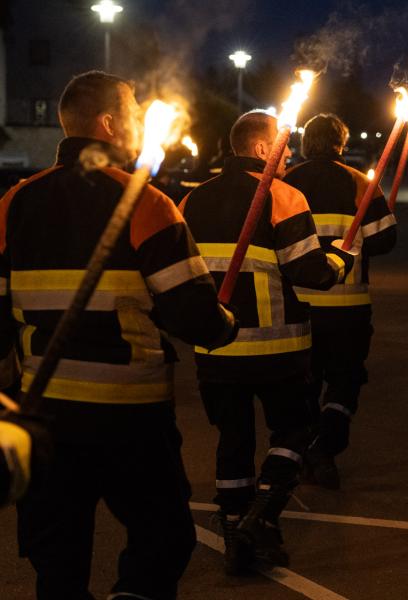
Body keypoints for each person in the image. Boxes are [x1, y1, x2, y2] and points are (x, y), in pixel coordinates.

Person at [0, 70, 236, 600]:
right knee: (164, 537)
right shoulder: (148, 205)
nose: (138, 120)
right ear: (107, 124)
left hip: (43, 414)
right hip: (130, 417)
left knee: (56, 559)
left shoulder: (13, 204)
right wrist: (226, 322)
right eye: (132, 109)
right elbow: (195, 318)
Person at [179, 110, 354, 574]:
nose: (291, 153)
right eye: (284, 144)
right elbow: (311, 275)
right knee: (295, 431)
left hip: (216, 346)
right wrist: (341, 259)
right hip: (279, 347)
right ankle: (263, 513)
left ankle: (235, 524)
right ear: (261, 149)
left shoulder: (191, 201)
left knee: (232, 439)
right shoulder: (282, 194)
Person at [283, 113, 396, 489]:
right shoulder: (360, 183)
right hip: (349, 310)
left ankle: (299, 454)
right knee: (345, 382)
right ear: (341, 144)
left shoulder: (285, 183)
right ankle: (325, 447)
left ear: (304, 143)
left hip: (298, 307)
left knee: (305, 385)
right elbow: (384, 240)